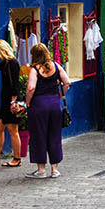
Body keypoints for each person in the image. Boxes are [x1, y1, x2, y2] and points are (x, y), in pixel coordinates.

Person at [24, 43, 70, 180]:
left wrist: (28, 102)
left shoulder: (35, 69)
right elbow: (67, 82)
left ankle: (41, 169)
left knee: (39, 136)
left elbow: (31, 88)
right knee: (54, 135)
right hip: (55, 104)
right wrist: (60, 94)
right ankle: (55, 169)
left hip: (39, 105)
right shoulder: (56, 66)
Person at [0, 40, 23, 166]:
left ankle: (17, 158)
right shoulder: (6, 63)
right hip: (6, 100)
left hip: (11, 101)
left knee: (13, 129)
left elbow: (15, 84)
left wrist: (13, 102)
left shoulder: (12, 63)